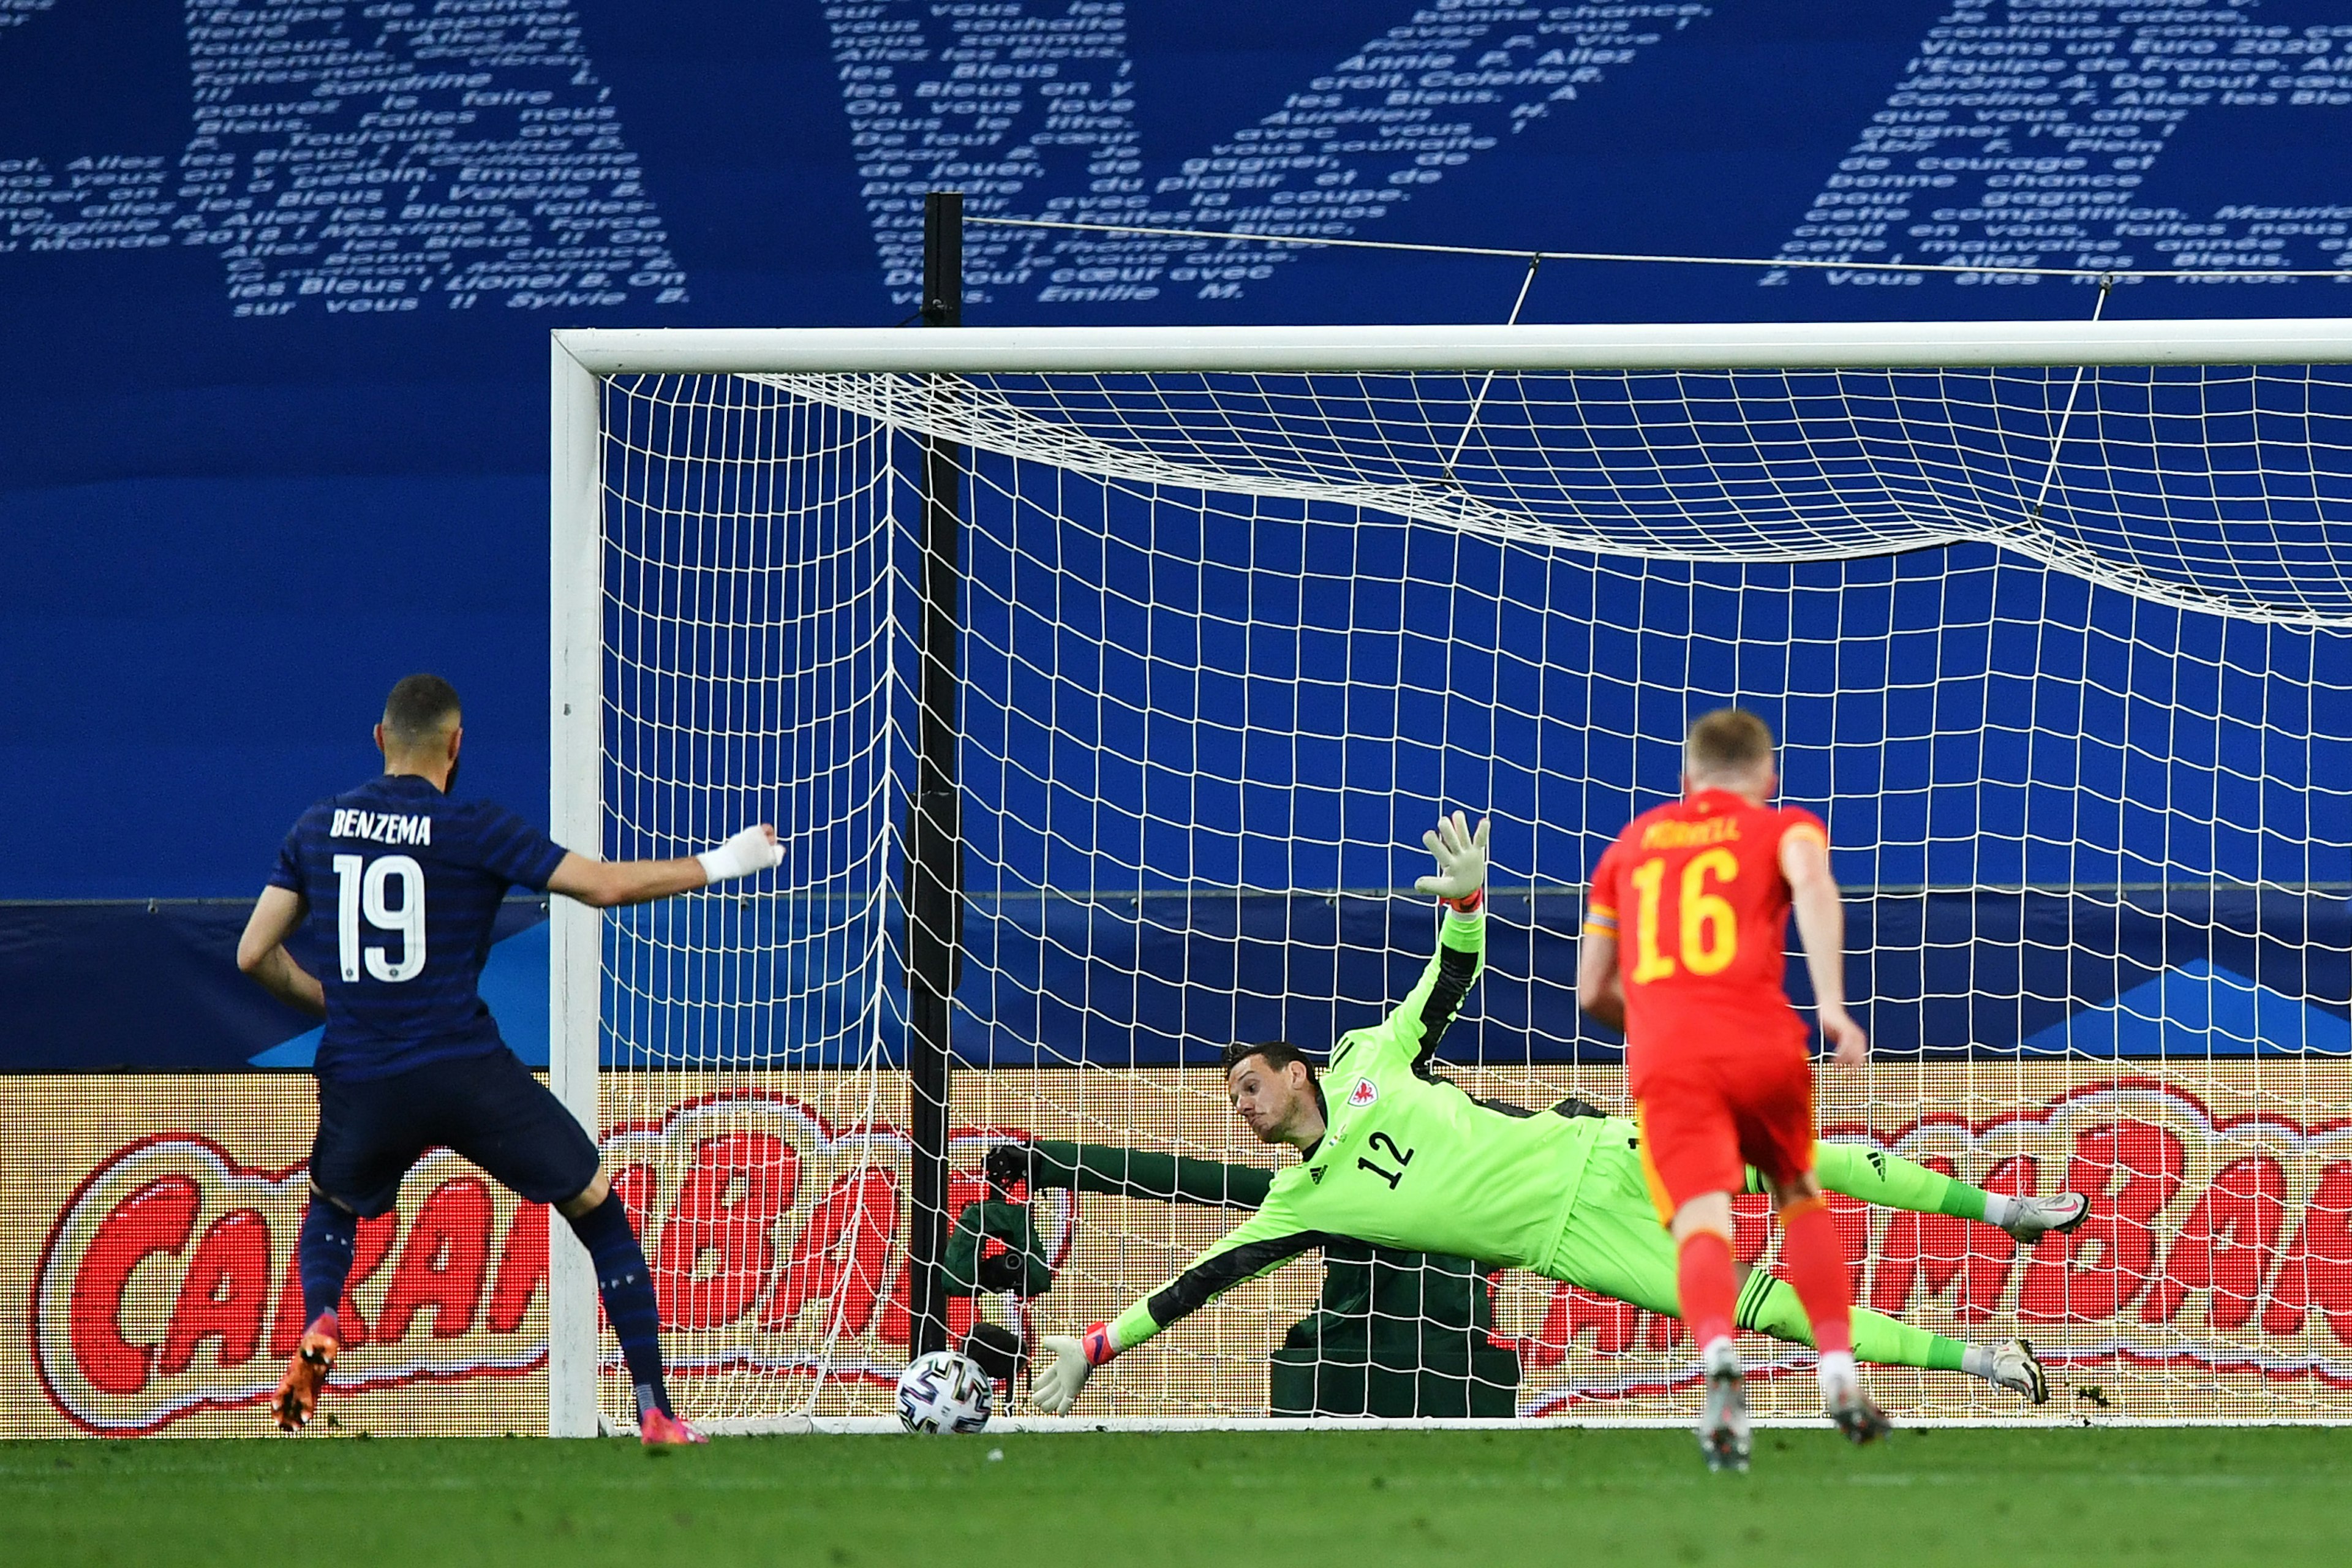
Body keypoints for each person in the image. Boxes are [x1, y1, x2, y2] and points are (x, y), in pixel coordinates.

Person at [1027, 813, 2084, 1418]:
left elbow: (1447, 981)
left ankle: (2007, 1212)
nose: (1242, 1109)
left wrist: (1466, 903)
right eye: (1232, 1102)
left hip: (1598, 1149)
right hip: (1569, 1240)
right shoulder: (1298, 1202)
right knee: (1760, 1308)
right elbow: (1198, 1282)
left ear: (1297, 1073)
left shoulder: (1370, 1059)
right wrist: (1094, 1346)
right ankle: (1984, 1361)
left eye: (1249, 1087)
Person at [235, 673, 783, 1444]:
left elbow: (253, 953)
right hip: (464, 1069)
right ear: (457, 745)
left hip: (362, 1072)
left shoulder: (318, 826)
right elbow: (602, 887)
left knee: (332, 1204)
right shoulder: (476, 827)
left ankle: (322, 1314)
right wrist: (727, 860)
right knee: (595, 1205)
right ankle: (655, 1408)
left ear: (380, 738)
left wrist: (341, 1001)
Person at [1579, 706, 1872, 1471]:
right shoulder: (1785, 828)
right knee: (1797, 1191)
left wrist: (1660, 1020)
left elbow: (1591, 991)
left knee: (1702, 1222)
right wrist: (1832, 1005)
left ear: (1687, 777)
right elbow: (1813, 882)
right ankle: (1838, 1367)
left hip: (1670, 1058)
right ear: (1768, 776)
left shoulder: (1628, 848)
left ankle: (1718, 1363)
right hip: (1762, 1044)